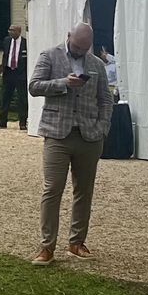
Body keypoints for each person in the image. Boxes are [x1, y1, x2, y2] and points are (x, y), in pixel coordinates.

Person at [30, 22, 116, 265]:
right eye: (77, 46)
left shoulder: (97, 65)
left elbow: (106, 100)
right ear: (68, 36)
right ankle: (47, 246)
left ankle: (76, 243)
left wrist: (103, 129)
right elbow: (34, 87)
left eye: (85, 48)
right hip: (57, 134)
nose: (80, 51)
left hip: (89, 136)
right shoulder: (49, 55)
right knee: (52, 189)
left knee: (84, 191)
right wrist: (62, 83)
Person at [0, 24, 28, 130]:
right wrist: (2, 66)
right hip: (8, 72)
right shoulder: (7, 41)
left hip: (20, 73)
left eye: (12, 30)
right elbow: (5, 55)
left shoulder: (25, 43)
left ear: (18, 32)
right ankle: (2, 120)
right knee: (5, 96)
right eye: (9, 30)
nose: (10, 32)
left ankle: (22, 122)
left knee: (22, 98)